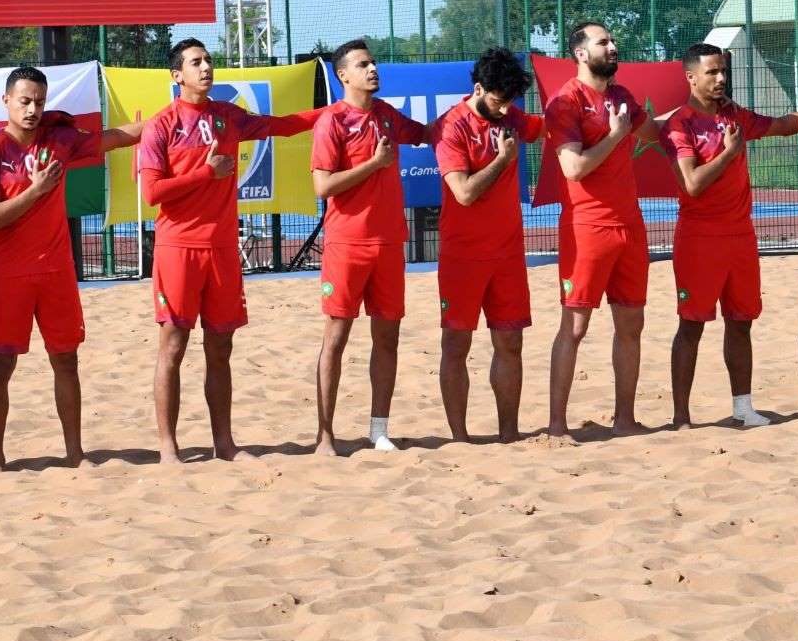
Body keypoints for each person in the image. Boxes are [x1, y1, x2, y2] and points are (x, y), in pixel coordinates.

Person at [138, 38, 325, 463]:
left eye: (208, 61)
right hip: (178, 248)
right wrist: (205, 173)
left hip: (222, 250)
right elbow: (151, 192)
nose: (206, 68)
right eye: (195, 62)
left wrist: (331, 111)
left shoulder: (229, 116)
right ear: (176, 75)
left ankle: (224, 443)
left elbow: (283, 124)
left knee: (221, 348)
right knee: (173, 347)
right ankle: (168, 446)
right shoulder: (161, 126)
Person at [0, 66, 141, 469]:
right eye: (24, 101)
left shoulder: (58, 141)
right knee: (0, 364)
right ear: (6, 101)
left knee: (66, 360)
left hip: (57, 273)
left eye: (39, 102)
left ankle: (75, 454)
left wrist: (162, 122)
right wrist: (38, 189)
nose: (32, 109)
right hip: (9, 276)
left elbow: (112, 139)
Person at [308, 39, 437, 455]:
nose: (372, 69)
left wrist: (473, 105)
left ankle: (378, 429)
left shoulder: (385, 115)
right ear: (343, 75)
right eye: (363, 64)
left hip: (387, 243)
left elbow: (426, 133)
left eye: (374, 62)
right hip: (347, 243)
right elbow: (323, 186)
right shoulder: (332, 122)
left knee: (388, 339)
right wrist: (373, 165)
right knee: (337, 338)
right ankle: (325, 435)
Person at [663, 43, 798, 429]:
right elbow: (691, 183)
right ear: (691, 77)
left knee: (741, 322)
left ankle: (743, 408)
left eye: (723, 71)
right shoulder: (680, 124)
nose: (721, 78)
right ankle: (681, 418)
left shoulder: (734, 116)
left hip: (740, 237)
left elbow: (779, 125)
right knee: (691, 324)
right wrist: (727, 154)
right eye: (712, 72)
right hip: (699, 239)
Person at [545, 21, 662, 437]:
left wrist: (700, 122)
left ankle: (625, 419)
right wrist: (614, 136)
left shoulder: (622, 96)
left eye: (613, 40)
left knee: (631, 325)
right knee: (575, 327)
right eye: (603, 42)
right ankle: (557, 426)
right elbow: (573, 167)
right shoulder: (565, 102)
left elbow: (655, 131)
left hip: (629, 224)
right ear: (580, 53)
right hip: (587, 226)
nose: (613, 46)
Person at [434, 47, 544, 443]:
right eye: (498, 100)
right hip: (463, 254)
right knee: (456, 344)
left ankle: (508, 433)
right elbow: (463, 192)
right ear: (479, 88)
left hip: (508, 253)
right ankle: (460, 439)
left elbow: (547, 126)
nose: (505, 109)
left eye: (511, 101)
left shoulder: (511, 115)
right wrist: (501, 160)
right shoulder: (452, 127)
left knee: (510, 341)